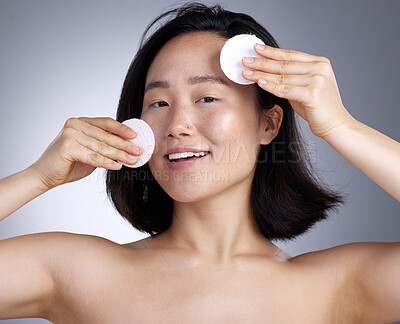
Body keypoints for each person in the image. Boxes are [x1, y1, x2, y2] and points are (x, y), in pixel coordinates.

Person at [0, 2, 399, 323]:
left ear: (269, 123)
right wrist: (36, 177)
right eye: (158, 102)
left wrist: (341, 127)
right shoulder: (74, 273)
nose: (177, 125)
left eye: (207, 97)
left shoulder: (338, 286)